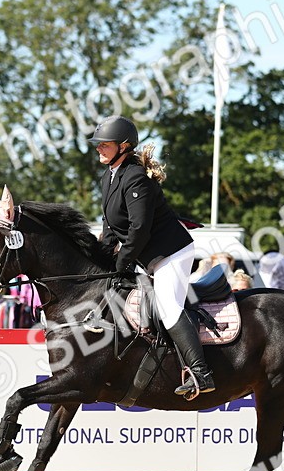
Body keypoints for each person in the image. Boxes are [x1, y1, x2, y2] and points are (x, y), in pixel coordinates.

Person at [89, 115, 214, 397]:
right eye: (97, 144)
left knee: (168, 307)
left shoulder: (134, 177)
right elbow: (110, 227)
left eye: (104, 144)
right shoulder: (108, 177)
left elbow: (139, 229)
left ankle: (201, 373)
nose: (98, 148)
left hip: (172, 253)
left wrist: (122, 262)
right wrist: (102, 260)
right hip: (148, 255)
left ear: (123, 146)